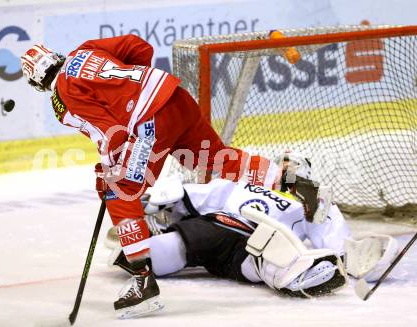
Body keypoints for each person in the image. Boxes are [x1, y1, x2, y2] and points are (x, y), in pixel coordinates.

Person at [20, 33, 301, 318]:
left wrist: (107, 167)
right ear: (54, 54)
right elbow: (139, 46)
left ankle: (143, 280)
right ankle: (288, 181)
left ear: (36, 82)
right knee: (214, 158)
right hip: (172, 95)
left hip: (148, 124)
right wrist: (134, 90)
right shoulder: (85, 48)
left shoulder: (62, 99)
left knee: (117, 189)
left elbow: (108, 135)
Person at [109, 175, 399, 298]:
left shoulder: (310, 205)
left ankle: (296, 274)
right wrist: (162, 199)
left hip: (250, 248)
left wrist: (354, 259)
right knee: (146, 255)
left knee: (262, 255)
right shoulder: (243, 185)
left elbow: (335, 239)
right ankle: (142, 242)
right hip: (218, 228)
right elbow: (197, 195)